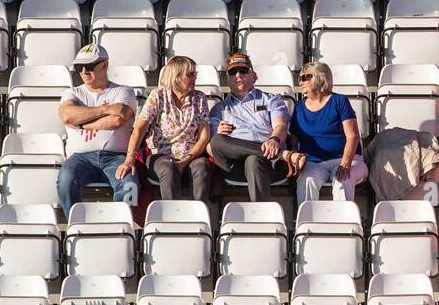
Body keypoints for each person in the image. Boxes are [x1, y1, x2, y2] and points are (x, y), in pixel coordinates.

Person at [56, 43, 139, 217]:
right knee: (65, 181)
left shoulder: (124, 91)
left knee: (130, 185)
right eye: (79, 67)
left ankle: (119, 227)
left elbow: (118, 119)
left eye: (90, 66)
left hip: (116, 157)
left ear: (105, 65)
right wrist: (105, 109)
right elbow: (67, 116)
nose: (84, 71)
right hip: (80, 157)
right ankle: (76, 226)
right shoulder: (72, 92)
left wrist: (81, 124)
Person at [116, 55, 211, 200]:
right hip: (161, 155)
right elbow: (139, 129)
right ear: (176, 77)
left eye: (195, 74)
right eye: (190, 74)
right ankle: (171, 217)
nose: (195, 78)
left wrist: (186, 160)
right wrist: (130, 159)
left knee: (202, 166)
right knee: (168, 168)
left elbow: (204, 137)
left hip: (191, 156)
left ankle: (199, 214)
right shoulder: (158, 96)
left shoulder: (199, 98)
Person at [207, 52, 293, 201]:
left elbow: (281, 125)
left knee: (253, 160)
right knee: (216, 141)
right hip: (233, 165)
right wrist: (217, 134)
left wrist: (274, 140)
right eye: (233, 72)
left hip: (269, 161)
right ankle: (284, 155)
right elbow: (211, 149)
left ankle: (260, 216)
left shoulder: (271, 99)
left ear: (254, 76)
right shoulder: (219, 109)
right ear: (227, 78)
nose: (238, 75)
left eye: (243, 71)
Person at [287, 62, 368, 204]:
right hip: (314, 162)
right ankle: (308, 223)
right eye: (300, 78)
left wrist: (345, 164)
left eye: (305, 77)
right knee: (307, 181)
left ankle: (344, 223)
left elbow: (352, 136)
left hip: (345, 159)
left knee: (343, 179)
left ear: (321, 77)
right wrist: (296, 158)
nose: (301, 82)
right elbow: (294, 137)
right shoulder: (299, 108)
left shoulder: (339, 101)